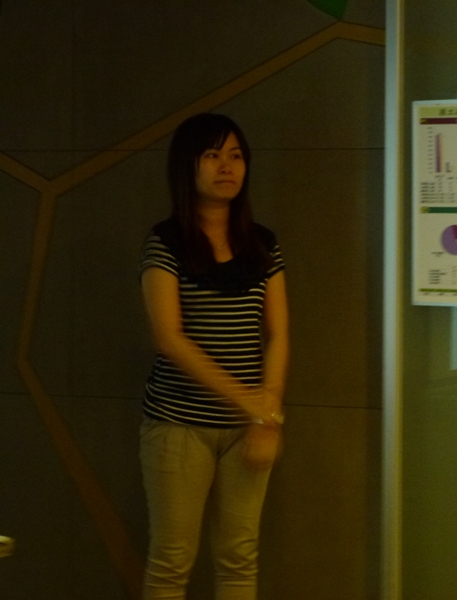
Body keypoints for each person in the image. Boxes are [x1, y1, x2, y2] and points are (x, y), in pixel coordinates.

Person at [139, 113, 289, 599]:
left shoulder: (263, 244)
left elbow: (278, 335)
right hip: (178, 425)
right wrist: (252, 404)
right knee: (171, 560)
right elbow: (168, 338)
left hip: (248, 428)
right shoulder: (166, 242)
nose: (227, 166)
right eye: (212, 155)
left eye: (236, 155)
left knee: (239, 558)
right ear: (188, 166)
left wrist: (266, 417)